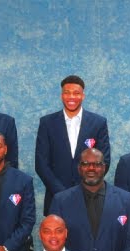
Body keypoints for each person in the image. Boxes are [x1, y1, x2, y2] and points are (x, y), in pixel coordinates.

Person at [34, 74, 112, 213]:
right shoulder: (47, 123)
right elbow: (41, 164)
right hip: (56, 198)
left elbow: (104, 160)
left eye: (76, 93)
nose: (71, 97)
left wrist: (83, 190)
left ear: (83, 96)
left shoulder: (98, 123)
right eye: (67, 93)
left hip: (89, 197)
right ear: (61, 95)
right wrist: (61, 194)